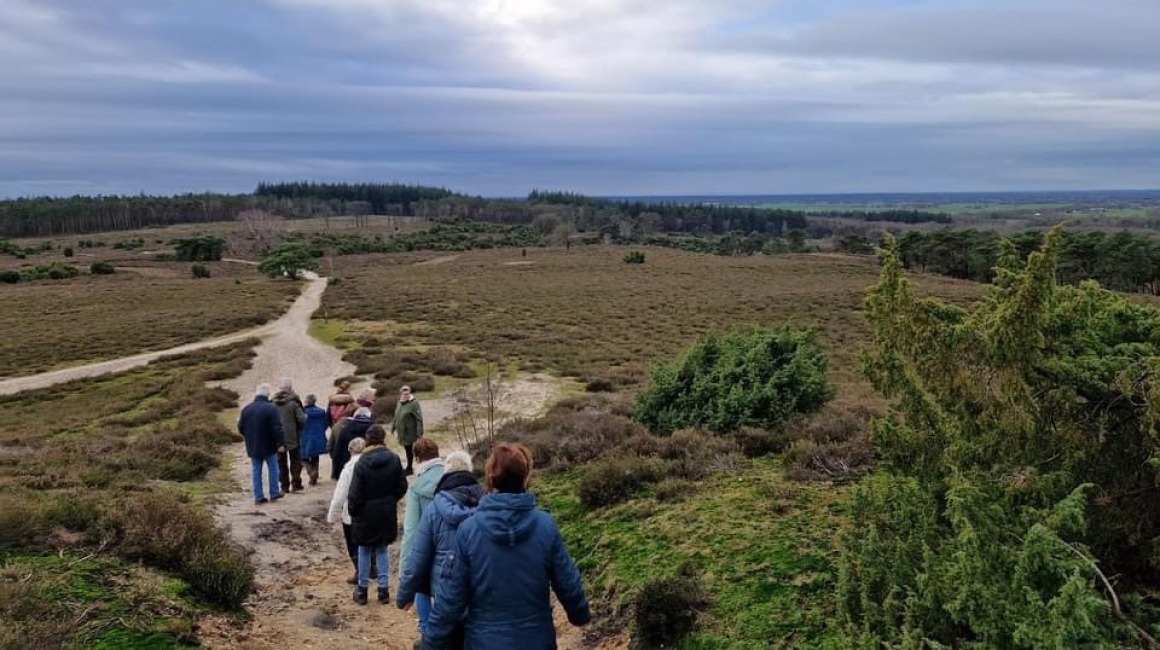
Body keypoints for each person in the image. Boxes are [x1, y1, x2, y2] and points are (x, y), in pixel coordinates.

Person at [421, 443, 590, 649]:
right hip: (537, 640)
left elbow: (451, 596)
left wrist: (432, 641)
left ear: (490, 478)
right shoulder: (545, 526)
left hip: (484, 642)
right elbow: (568, 582)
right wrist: (580, 613)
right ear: (526, 477)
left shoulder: (469, 531)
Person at [397, 451, 482, 647]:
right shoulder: (487, 504)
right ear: (470, 470)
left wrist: (405, 595)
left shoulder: (435, 509)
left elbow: (418, 557)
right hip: (480, 587)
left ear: (446, 472)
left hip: (444, 589)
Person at [347, 425, 408, 605]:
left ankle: (363, 591)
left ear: (367, 440)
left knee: (364, 550)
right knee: (382, 549)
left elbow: (355, 494)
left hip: (365, 512)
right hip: (386, 510)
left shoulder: (361, 463)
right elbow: (402, 486)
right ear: (383, 439)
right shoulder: (394, 459)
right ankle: (383, 590)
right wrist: (390, 500)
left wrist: (354, 511)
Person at [398, 439, 446, 632]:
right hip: (451, 549)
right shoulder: (451, 478)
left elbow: (410, 531)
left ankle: (427, 633)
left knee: (422, 590)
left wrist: (405, 569)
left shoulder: (416, 488)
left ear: (417, 458)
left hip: (427, 548)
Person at [237, 383, 286, 506]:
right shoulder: (271, 408)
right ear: (267, 395)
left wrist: (249, 437)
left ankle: (258, 497)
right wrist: (280, 443)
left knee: (256, 470)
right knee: (273, 468)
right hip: (269, 444)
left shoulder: (246, 409)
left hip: (253, 444)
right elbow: (277, 428)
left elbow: (240, 427)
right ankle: (274, 493)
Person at [327, 436, 367, 585]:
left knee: (353, 544)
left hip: (352, 513)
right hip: (372, 511)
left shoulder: (349, 468)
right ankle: (373, 569)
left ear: (350, 451)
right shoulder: (371, 464)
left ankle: (359, 571)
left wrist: (332, 515)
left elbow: (340, 494)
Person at [273, 377, 307, 493]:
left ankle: (284, 486)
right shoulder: (294, 403)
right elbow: (302, 419)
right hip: (293, 436)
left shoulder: (273, 403)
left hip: (277, 437)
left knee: (281, 462)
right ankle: (296, 484)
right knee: (295, 460)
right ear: (291, 388)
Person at [331, 407, 374, 480]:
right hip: (371, 469)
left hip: (348, 467)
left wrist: (337, 473)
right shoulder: (374, 429)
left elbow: (338, 452)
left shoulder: (346, 430)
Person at [392, 385, 424, 475]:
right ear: (400, 393)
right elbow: (396, 415)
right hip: (402, 432)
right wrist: (393, 427)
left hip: (411, 432)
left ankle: (418, 468)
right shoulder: (399, 402)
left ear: (409, 392)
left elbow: (419, 419)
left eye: (407, 392)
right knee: (408, 450)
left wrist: (419, 433)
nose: (405, 394)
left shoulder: (414, 403)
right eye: (403, 392)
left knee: (416, 450)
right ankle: (410, 467)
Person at [300, 394, 329, 487]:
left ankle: (311, 472)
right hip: (319, 437)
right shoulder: (321, 411)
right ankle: (314, 479)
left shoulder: (303, 412)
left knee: (302, 458)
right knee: (315, 457)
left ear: (307, 401)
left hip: (306, 438)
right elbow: (326, 424)